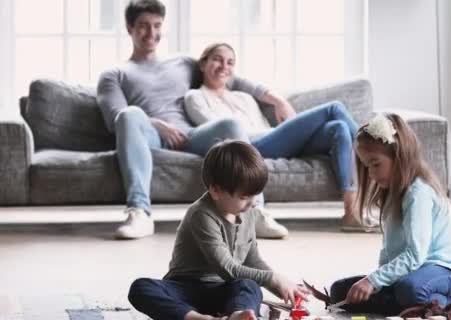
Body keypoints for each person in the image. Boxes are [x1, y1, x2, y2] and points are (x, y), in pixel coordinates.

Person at [96, 0, 289, 239]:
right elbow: (115, 117)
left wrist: (275, 98)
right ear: (129, 28)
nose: (151, 33)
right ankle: (139, 212)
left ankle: (255, 211)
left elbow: (230, 78)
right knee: (129, 114)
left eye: (157, 25)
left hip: (191, 133)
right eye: (144, 26)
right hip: (150, 134)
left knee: (231, 124)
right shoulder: (114, 74)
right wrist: (157, 124)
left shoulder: (183, 64)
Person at [184, 43, 376, 232]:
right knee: (334, 108)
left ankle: (351, 212)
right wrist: (288, 133)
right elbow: (219, 129)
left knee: (340, 128)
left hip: (272, 139)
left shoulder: (244, 97)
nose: (224, 67)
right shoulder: (195, 96)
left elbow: (263, 126)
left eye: (230, 62)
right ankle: (376, 159)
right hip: (250, 147)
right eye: (217, 60)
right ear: (202, 64)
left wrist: (289, 133)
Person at [128, 140, 309, 320]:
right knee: (141, 288)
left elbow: (252, 260)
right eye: (245, 196)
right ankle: (196, 318)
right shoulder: (201, 214)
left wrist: (280, 286)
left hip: (223, 290)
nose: (253, 202)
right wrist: (273, 278)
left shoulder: (248, 212)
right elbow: (227, 269)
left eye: (255, 195)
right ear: (216, 191)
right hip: (186, 289)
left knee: (249, 285)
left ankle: (237, 314)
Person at [328, 114, 451, 315]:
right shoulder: (391, 194)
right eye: (367, 166)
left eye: (376, 164)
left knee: (409, 290)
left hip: (446, 271)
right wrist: (377, 282)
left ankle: (444, 301)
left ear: (399, 156)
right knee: (339, 291)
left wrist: (373, 281)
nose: (371, 174)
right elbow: (389, 251)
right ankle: (409, 305)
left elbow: (415, 255)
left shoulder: (418, 193)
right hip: (413, 272)